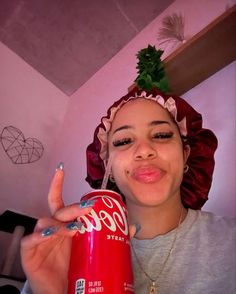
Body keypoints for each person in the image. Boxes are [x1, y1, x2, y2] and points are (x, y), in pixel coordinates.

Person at [20, 86, 236, 294]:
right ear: (108, 168)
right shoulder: (65, 253)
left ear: (186, 154)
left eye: (161, 135)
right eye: (123, 141)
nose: (144, 150)